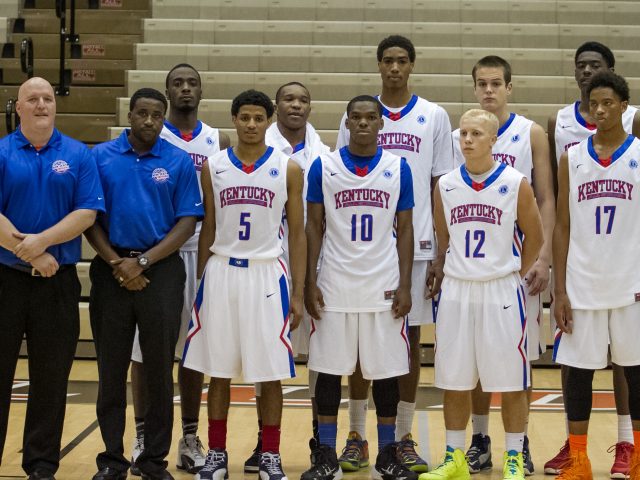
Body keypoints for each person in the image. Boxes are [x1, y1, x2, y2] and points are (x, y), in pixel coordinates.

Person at [335, 35, 454, 473]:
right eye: (388, 60)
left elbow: (441, 187)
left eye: (402, 60)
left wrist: (441, 251)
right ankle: (355, 434)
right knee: (360, 348)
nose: (395, 67)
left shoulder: (434, 116)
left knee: (406, 347)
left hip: (416, 247)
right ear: (378, 65)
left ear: (412, 65)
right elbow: (338, 180)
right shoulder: (357, 112)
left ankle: (402, 435)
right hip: (360, 251)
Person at [182, 89, 306, 480]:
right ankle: (216, 452)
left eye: (258, 118)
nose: (251, 125)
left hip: (268, 273)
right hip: (222, 270)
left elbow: (298, 234)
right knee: (217, 370)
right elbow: (209, 229)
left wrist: (298, 292)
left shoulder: (288, 168)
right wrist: (203, 279)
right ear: (233, 119)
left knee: (270, 372)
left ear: (269, 122)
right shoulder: (214, 166)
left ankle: (270, 453)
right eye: (244, 118)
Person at [86, 87, 203, 480]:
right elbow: (90, 218)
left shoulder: (178, 160)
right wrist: (118, 262)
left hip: (162, 270)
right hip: (111, 268)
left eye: (157, 114)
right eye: (142, 113)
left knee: (157, 369)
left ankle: (153, 461)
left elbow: (187, 221)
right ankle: (112, 460)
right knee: (111, 370)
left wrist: (144, 261)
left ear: (164, 117)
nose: (149, 121)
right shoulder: (100, 157)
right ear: (130, 115)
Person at [422, 109, 543, 480]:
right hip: (457, 290)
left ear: (493, 140)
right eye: (463, 134)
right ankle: (455, 457)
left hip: (500, 291)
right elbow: (443, 239)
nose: (468, 140)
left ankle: (512, 457)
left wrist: (508, 274)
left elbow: (535, 239)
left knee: (510, 380)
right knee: (455, 378)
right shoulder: (445, 185)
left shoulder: (515, 181)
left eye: (477, 134)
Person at [301, 95, 416, 480]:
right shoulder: (324, 166)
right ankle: (326, 456)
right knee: (330, 372)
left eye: (371, 117)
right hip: (334, 282)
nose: (364, 123)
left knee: (384, 372)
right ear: (347, 122)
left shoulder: (399, 168)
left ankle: (386, 453)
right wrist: (309, 279)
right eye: (357, 117)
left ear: (382, 123)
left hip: (382, 283)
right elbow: (313, 226)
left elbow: (406, 230)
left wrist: (404, 283)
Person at [451, 56, 555, 476]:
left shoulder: (530, 133)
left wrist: (543, 257)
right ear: (474, 88)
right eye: (482, 84)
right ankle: (479, 439)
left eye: (496, 83)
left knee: (519, 360)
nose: (489, 90)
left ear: (509, 88)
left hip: (514, 269)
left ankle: (520, 443)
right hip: (474, 267)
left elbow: (546, 198)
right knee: (472, 361)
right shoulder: (465, 134)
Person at [127, 64, 230, 476]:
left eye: (192, 83)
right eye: (177, 84)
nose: (185, 88)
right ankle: (141, 434)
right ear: (167, 93)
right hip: (157, 252)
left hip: (201, 249)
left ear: (202, 91)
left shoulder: (216, 139)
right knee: (142, 351)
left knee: (194, 349)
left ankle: (190, 436)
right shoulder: (153, 132)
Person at [0, 77, 104, 480]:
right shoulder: (3, 152)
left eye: (47, 98)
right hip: (6, 277)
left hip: (56, 281)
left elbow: (87, 213)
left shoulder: (79, 155)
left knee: (50, 377)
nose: (42, 104)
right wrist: (27, 253)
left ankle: (41, 464)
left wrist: (42, 245)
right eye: (33, 99)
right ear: (19, 107)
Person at [546, 41, 640, 477]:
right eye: (594, 104)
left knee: (635, 371)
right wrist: (559, 288)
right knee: (578, 372)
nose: (600, 110)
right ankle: (579, 456)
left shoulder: (639, 154)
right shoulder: (572, 158)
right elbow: (561, 225)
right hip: (582, 282)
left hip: (629, 282)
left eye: (608, 103)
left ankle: (635, 454)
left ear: (623, 105)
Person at [244, 81, 330, 473]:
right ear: (276, 107)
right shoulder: (257, 150)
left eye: (303, 100)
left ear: (310, 108)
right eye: (288, 99)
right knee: (267, 360)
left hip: (321, 266)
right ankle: (266, 441)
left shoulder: (325, 156)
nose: (296, 105)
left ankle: (319, 439)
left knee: (320, 358)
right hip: (267, 265)